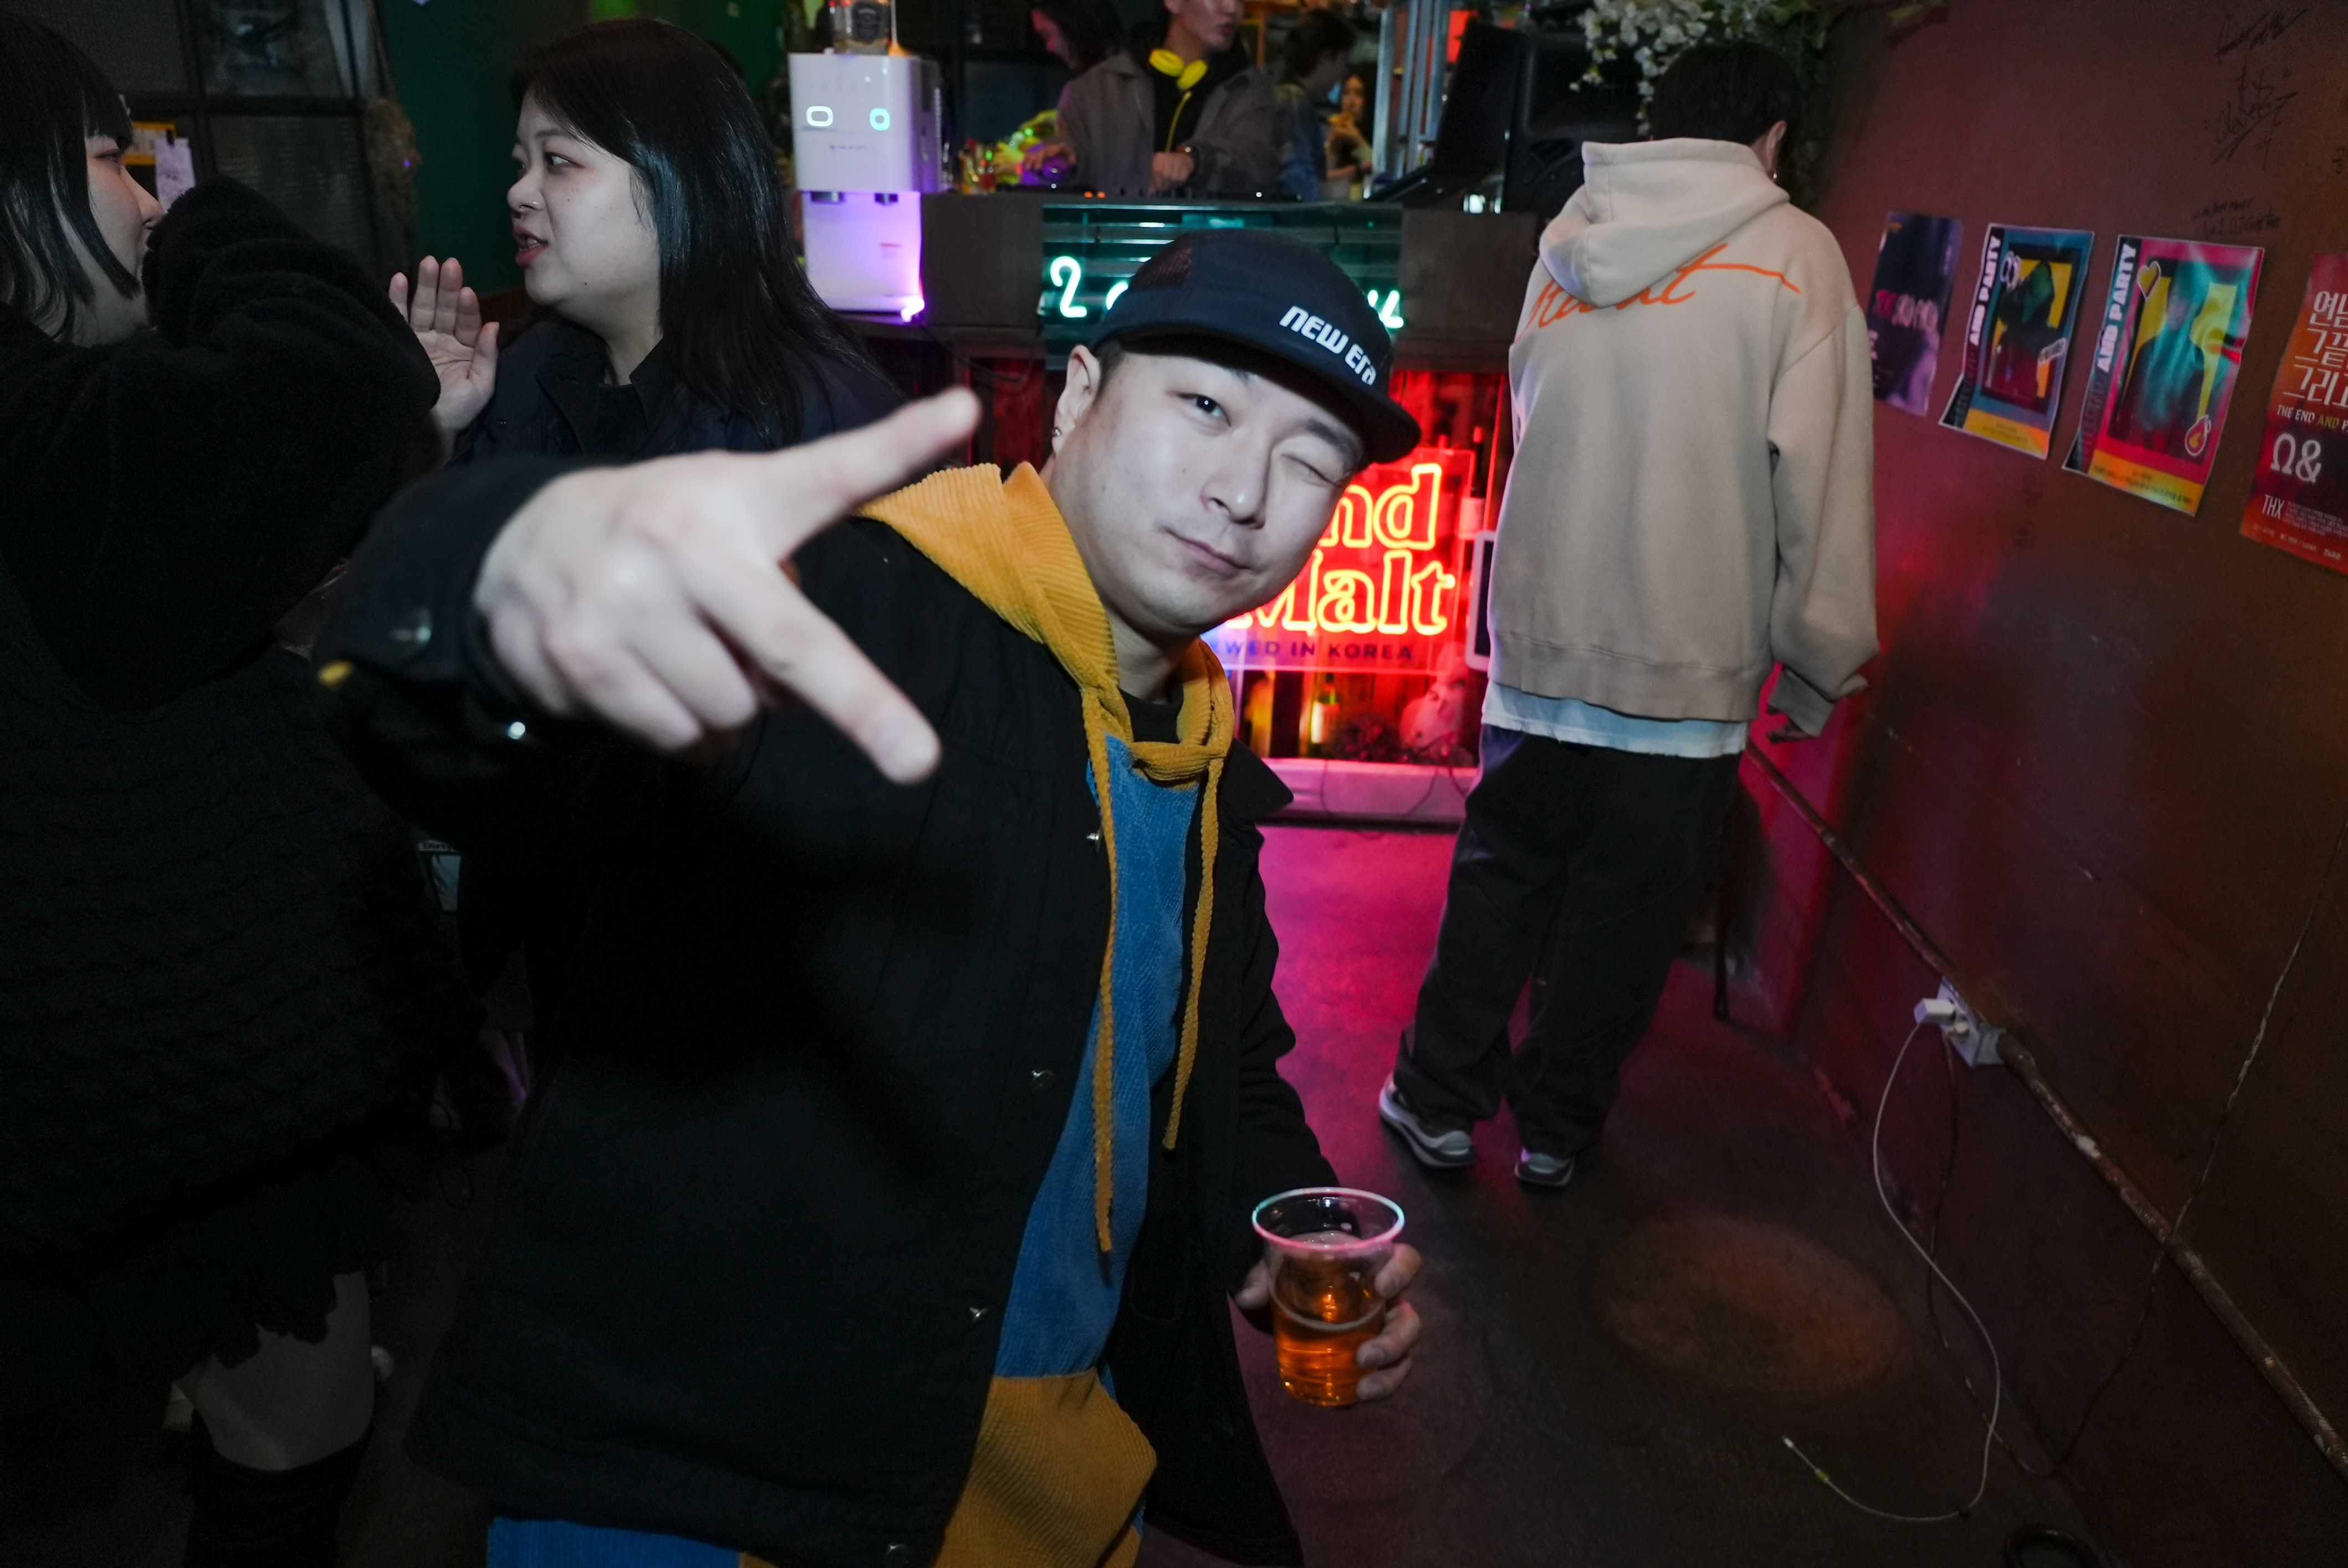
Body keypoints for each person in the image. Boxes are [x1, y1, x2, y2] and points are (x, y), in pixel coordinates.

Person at [313, 230, 1428, 1568]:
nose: (1243, 490)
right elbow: (466, 731)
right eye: (1203, 406)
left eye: (1309, 460)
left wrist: (1294, 1219)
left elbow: (1215, 1065)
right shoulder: (842, 616)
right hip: (705, 1494)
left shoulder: (1195, 749)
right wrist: (496, 578)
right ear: (1077, 395)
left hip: (1037, 1487)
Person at [0, 14, 474, 1564]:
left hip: (154, 1135)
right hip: (182, 1132)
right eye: (113, 162)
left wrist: (402, 442)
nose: (145, 199)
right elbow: (319, 371)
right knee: (284, 1444)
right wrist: (209, 229)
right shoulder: (48, 430)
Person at [1379, 42, 1876, 1189]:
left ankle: (1434, 1099)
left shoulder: (1570, 235)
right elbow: (1822, 476)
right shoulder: (1795, 254)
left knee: (1502, 871)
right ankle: (1554, 1132)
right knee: (1625, 909)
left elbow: (1532, 407)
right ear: (1772, 139)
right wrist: (1817, 659)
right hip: (1684, 657)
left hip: (1544, 634)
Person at [390, 18, 898, 469]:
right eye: (522, 165)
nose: (518, 192)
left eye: (558, 161)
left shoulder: (806, 422)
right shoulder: (523, 376)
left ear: (681, 180)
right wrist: (439, 433)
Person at [1027, 0, 1285, 195]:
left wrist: (1196, 161)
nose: (1233, 9)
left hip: (1208, 248)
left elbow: (1257, 163)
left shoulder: (1251, 90)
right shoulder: (1094, 89)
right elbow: (1071, 163)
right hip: (1116, 246)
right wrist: (1059, 162)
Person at [1273, 11, 1355, 202]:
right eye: (1343, 60)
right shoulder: (1295, 102)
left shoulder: (1285, 95)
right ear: (1325, 58)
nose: (1344, 71)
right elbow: (1298, 180)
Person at [1324, 66, 1375, 199]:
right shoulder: (1334, 135)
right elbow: (1321, 184)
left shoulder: (1379, 138)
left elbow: (1381, 177)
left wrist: (1358, 141)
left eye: (1359, 94)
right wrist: (1333, 148)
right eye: (1346, 93)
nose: (1350, 102)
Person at [1032, 0, 1125, 73]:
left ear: (1073, 24)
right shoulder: (1129, 64)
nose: (1049, 48)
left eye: (1047, 35)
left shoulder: (1079, 89)